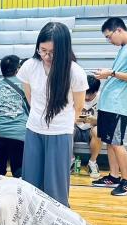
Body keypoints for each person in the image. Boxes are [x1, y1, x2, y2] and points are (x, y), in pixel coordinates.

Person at [17, 22, 88, 206]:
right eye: (43, 50)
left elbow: (78, 107)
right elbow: (30, 97)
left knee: (55, 187)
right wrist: (40, 118)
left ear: (64, 50)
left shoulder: (75, 72)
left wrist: (61, 126)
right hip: (34, 130)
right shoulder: (29, 66)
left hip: (60, 133)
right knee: (30, 182)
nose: (47, 56)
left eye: (52, 52)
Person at [93, 18, 127, 196]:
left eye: (109, 37)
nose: (109, 41)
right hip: (109, 103)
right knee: (109, 141)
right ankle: (114, 176)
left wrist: (112, 73)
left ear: (118, 31)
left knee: (116, 143)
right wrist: (108, 74)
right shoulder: (125, 48)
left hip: (117, 104)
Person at [0, 55, 29, 179]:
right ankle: (18, 179)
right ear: (18, 69)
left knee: (0, 156)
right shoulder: (26, 85)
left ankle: (0, 176)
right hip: (19, 131)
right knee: (18, 164)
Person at [73, 75, 102, 178]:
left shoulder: (102, 98)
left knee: (99, 130)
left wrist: (92, 120)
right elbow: (69, 117)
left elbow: (104, 122)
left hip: (91, 130)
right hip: (75, 128)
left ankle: (92, 162)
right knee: (67, 128)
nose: (87, 97)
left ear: (96, 91)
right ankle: (71, 160)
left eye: (90, 94)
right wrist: (90, 118)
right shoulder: (75, 94)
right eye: (86, 93)